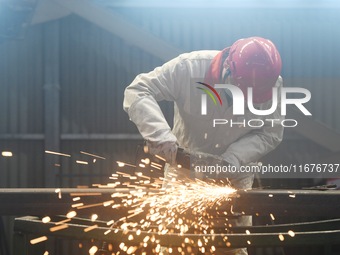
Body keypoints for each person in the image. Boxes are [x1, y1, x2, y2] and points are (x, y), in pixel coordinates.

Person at [123, 36, 283, 255]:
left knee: (231, 248)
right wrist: (161, 137)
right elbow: (138, 90)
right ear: (228, 68)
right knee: (175, 244)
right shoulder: (188, 68)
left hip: (234, 176)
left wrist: (232, 159)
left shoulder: (271, 84)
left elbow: (271, 133)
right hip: (184, 173)